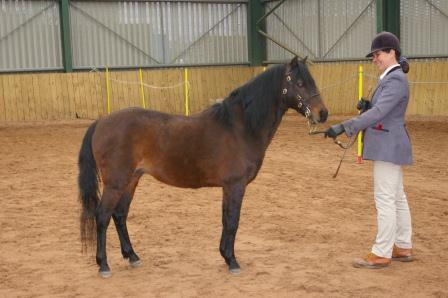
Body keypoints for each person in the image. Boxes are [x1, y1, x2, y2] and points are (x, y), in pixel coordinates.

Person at [326, 31, 413, 269]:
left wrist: (345, 126)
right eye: (373, 55)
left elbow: (379, 113)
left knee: (385, 198)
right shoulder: (390, 77)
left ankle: (381, 252)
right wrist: (368, 105)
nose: (374, 59)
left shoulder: (394, 80)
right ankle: (403, 246)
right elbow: (379, 108)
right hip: (390, 144)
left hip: (388, 145)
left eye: (378, 54)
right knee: (397, 197)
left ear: (391, 52)